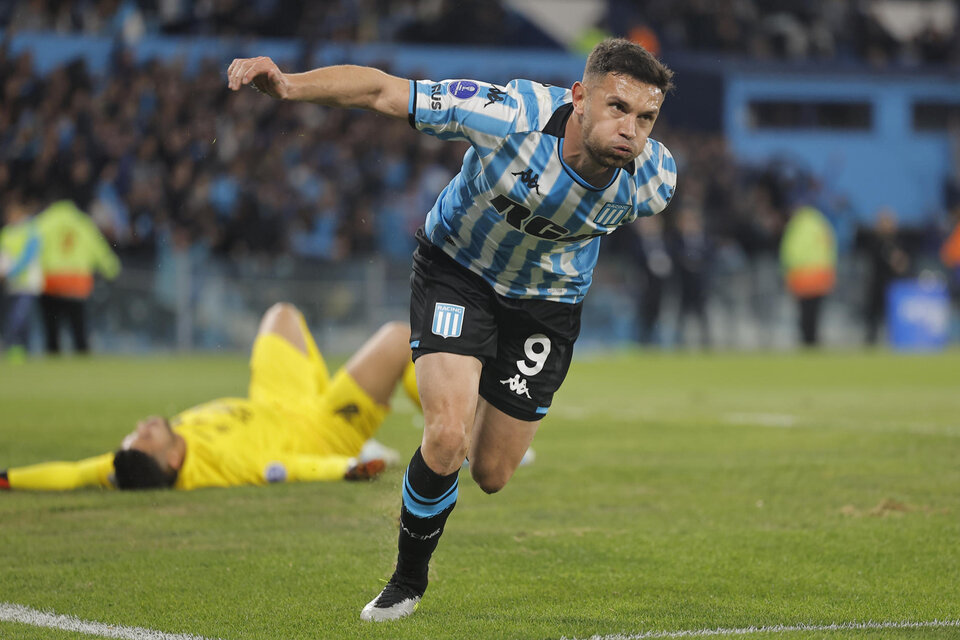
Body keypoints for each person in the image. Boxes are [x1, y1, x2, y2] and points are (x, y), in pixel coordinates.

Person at [227, 37, 676, 621]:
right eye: (617, 108)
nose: (631, 131)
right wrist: (288, 84)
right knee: (445, 435)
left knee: (490, 473)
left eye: (646, 118)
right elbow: (384, 90)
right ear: (580, 97)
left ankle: (453, 436)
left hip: (547, 306)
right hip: (459, 272)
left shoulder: (654, 182)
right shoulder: (508, 115)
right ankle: (407, 580)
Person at [1, 303, 420, 491]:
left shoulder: (130, 465)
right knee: (399, 338)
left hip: (273, 399)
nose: (140, 429)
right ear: (172, 460)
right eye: (143, 439)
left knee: (281, 315)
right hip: (321, 429)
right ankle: (454, 426)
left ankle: (351, 405)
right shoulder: (220, 463)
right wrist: (347, 466)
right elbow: (286, 468)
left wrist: (9, 479)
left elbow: (73, 474)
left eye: (133, 436)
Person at [35, 199, 121, 355]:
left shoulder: (44, 221)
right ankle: (82, 359)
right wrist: (112, 269)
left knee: (52, 330)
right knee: (78, 327)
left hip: (50, 281)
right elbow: (98, 248)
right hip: (77, 282)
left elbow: (32, 247)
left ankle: (52, 358)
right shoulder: (83, 222)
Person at [780, 204, 837, 347]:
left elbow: (788, 251)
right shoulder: (821, 224)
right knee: (815, 313)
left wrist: (785, 273)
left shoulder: (796, 226)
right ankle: (813, 340)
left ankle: (807, 341)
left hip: (800, 276)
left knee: (804, 312)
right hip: (820, 274)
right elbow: (830, 248)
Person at [0, 191, 43, 363]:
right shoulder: (6, 233)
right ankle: (25, 351)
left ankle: (8, 345)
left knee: (18, 316)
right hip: (12, 284)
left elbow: (27, 257)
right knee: (21, 319)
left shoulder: (30, 232)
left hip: (27, 283)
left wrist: (9, 272)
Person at [863, 208, 910, 345]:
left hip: (894, 285)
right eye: (883, 221)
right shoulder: (874, 241)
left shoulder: (898, 241)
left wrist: (900, 263)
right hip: (877, 283)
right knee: (873, 316)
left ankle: (895, 341)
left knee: (893, 316)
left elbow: (904, 263)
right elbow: (875, 257)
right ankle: (871, 341)